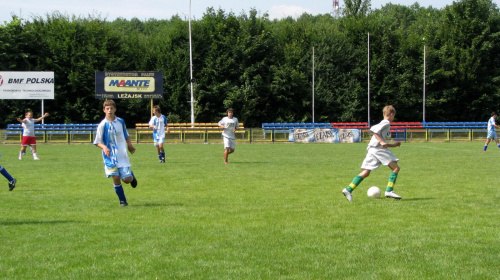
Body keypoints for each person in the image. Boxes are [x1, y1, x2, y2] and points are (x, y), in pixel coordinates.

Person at [342, 105, 402, 202]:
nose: (393, 118)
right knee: (396, 168)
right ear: (391, 114)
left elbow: (383, 143)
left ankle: (348, 189)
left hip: (372, 149)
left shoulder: (383, 123)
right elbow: (374, 129)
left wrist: (393, 145)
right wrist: (382, 142)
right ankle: (389, 190)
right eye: (393, 116)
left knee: (366, 172)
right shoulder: (386, 123)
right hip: (378, 150)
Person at [94, 100, 138, 207]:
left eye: (111, 108)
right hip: (109, 157)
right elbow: (97, 142)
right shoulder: (102, 125)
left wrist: (130, 145)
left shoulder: (121, 122)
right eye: (107, 108)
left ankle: (131, 176)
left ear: (115, 109)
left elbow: (126, 134)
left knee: (126, 180)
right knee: (116, 177)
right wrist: (104, 147)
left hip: (122, 156)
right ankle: (123, 201)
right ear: (104, 110)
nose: (109, 110)